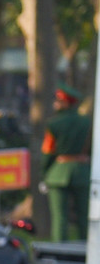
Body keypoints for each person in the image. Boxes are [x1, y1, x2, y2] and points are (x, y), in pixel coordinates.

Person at [41, 88, 91, 243]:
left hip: (58, 172)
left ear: (65, 102)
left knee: (60, 217)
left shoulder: (54, 124)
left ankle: (59, 251)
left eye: (58, 100)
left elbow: (48, 151)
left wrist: (44, 174)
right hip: (83, 171)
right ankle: (87, 249)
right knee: (85, 215)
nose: (55, 104)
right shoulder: (87, 122)